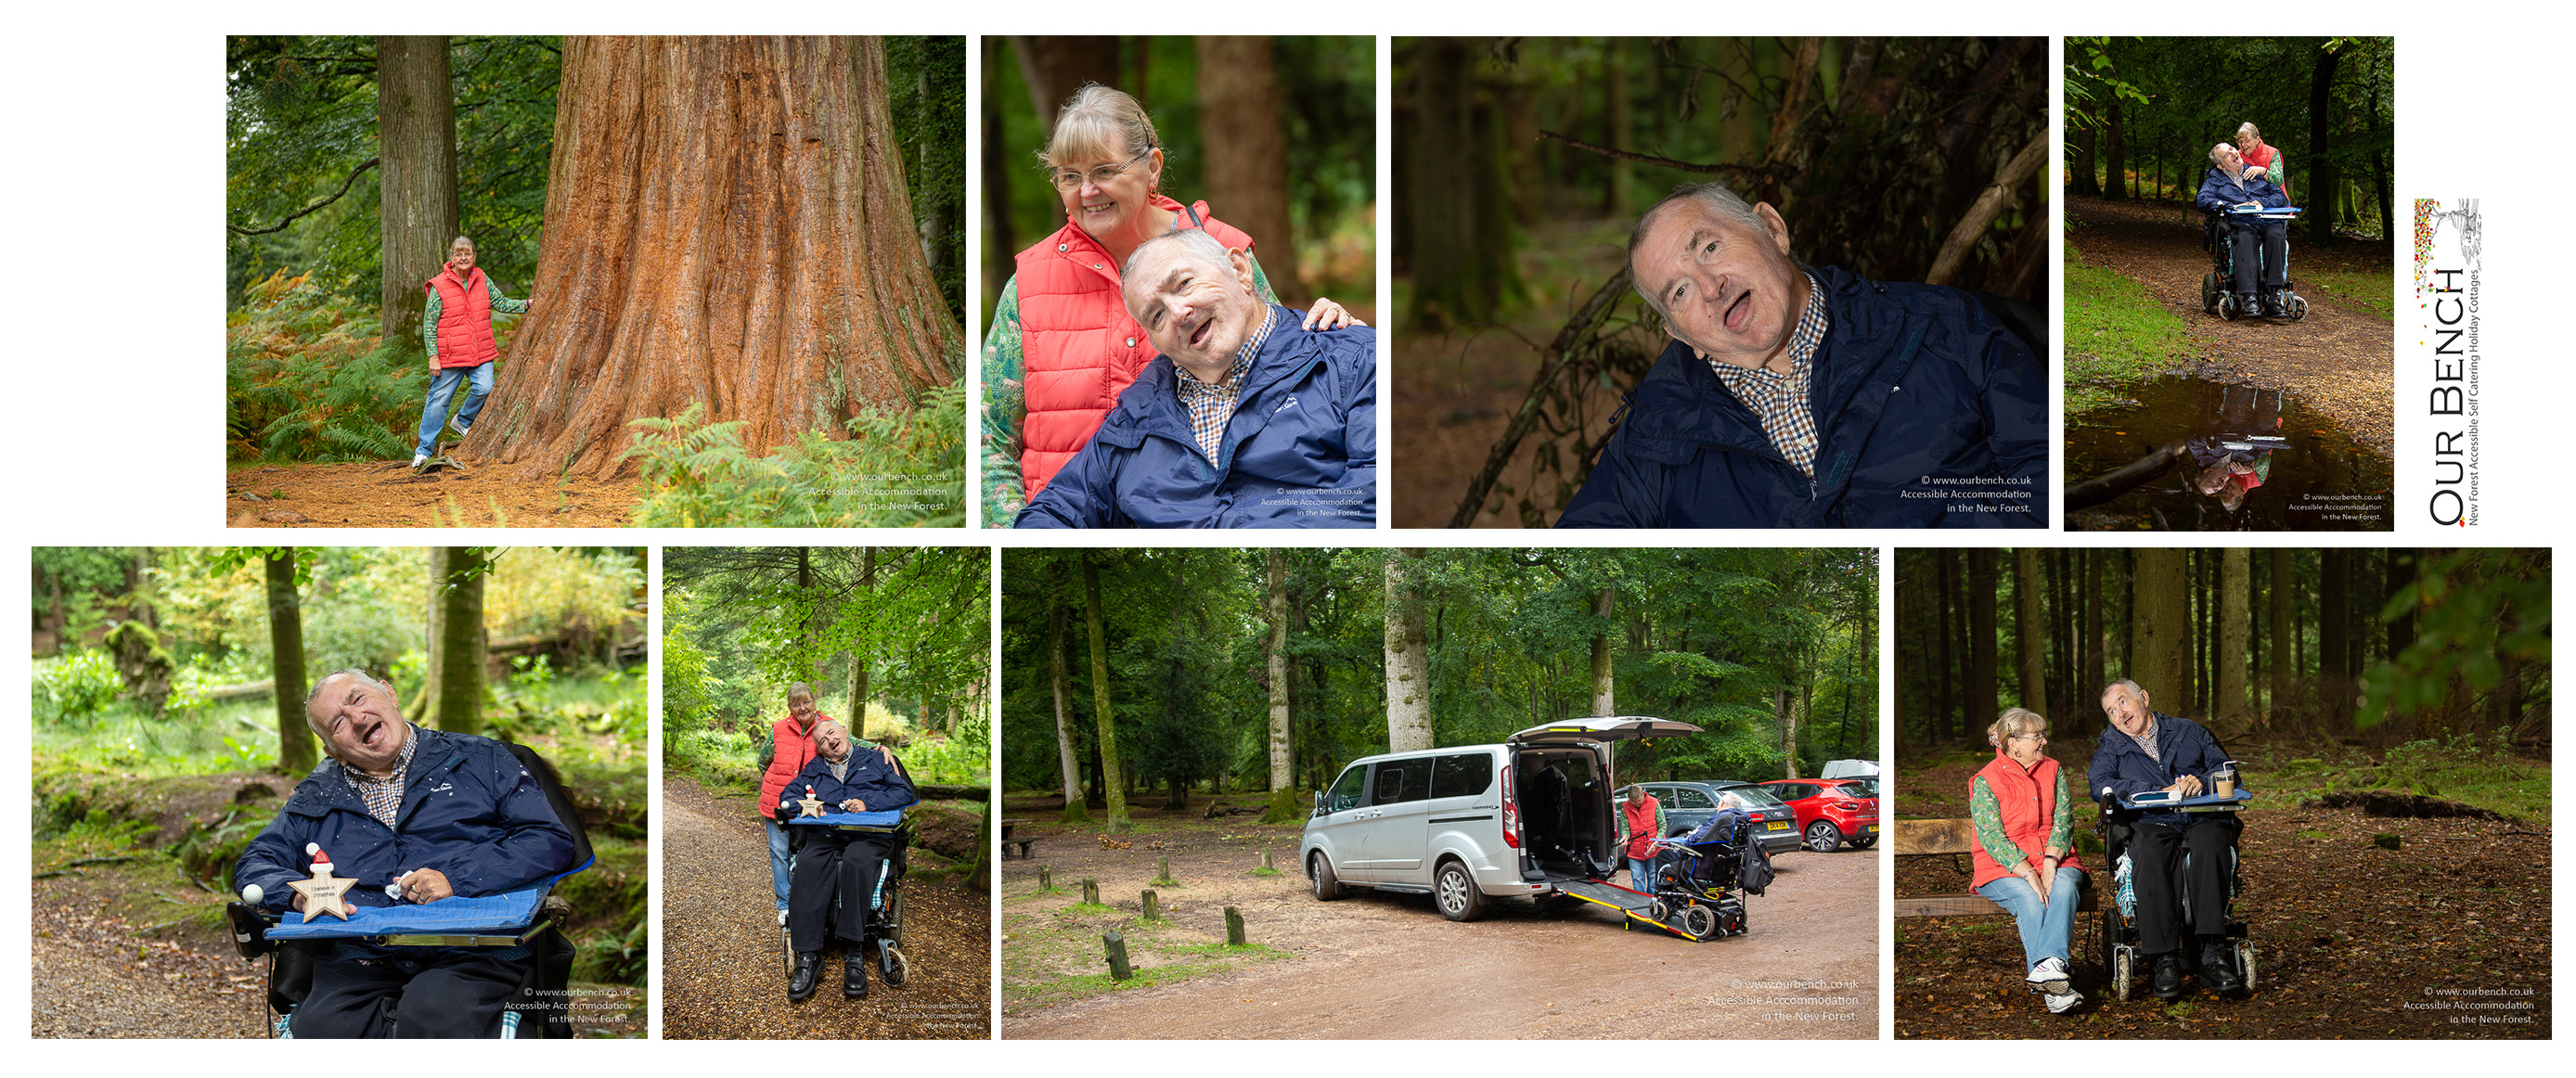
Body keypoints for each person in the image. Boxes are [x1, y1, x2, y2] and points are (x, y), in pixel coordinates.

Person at [1558, 182, 2045, 528]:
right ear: (1681, 336)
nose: (1710, 288)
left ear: (1772, 229)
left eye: (1709, 247)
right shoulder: (1653, 438)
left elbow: (2044, 476)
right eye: (1679, 292)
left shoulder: (1941, 326)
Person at [983, 84, 1356, 526]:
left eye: (1103, 171)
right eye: (1069, 177)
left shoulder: (1224, 251)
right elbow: (988, 437)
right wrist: (1020, 535)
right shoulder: (1029, 284)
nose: (1086, 192)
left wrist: (1335, 335)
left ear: (1152, 168)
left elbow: (1287, 375)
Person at [233, 669, 577, 1037]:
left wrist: (454, 879)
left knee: (437, 1013)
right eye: (337, 724)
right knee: (323, 1029)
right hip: (362, 957)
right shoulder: (315, 798)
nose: (356, 718)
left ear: (389, 694)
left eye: (358, 699)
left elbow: (548, 839)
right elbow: (254, 866)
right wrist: (298, 894)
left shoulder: (481, 760)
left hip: (474, 950)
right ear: (331, 749)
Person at [1016, 228, 1376, 528]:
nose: (1178, 313)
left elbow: (1372, 499)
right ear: (1153, 338)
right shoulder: (1136, 418)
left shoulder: (1349, 359)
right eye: (1155, 315)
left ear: (1239, 269)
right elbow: (1053, 513)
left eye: (1184, 284)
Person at [2088, 679, 2245, 1000]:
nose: (2119, 713)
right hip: (2152, 820)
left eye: (2123, 702)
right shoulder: (2110, 745)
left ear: (2143, 698)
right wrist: (2145, 791)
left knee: (2211, 844)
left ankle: (2213, 955)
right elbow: (2100, 784)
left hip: (2201, 816)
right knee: (2148, 850)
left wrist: (2201, 782)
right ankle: (2164, 959)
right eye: (2110, 710)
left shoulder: (2189, 731)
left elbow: (2228, 771)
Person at [778, 721, 917, 1001]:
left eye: (831, 733)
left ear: (843, 731)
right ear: (820, 749)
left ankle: (854, 955)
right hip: (829, 832)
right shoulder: (814, 770)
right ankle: (808, 956)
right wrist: (820, 808)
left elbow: (905, 793)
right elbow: (787, 799)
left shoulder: (876, 759)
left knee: (856, 861)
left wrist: (868, 803)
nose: (829, 740)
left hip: (870, 834)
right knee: (808, 863)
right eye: (821, 740)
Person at [1969, 707, 2088, 1015]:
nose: (2043, 742)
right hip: (2001, 867)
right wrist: (2026, 871)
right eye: (2037, 736)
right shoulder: (1985, 779)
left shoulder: (2053, 769)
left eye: (2042, 735)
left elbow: (2064, 821)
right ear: (2013, 743)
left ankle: (2048, 974)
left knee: (2063, 885)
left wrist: (2050, 861)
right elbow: (1991, 837)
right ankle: (2054, 984)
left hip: (2054, 856)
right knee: (2031, 898)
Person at [756, 684, 893, 924]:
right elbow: (763, 761)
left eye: (806, 702)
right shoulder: (778, 729)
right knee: (779, 852)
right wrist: (778, 780)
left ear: (814, 701)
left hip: (814, 802)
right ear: (790, 707)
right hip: (779, 797)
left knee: (804, 850)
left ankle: (809, 900)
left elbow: (853, 743)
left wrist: (880, 748)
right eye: (796, 704)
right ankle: (785, 906)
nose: (802, 707)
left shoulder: (826, 727)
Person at [413, 236, 530, 469]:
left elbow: (501, 303)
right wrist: (433, 356)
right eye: (459, 253)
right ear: (452, 258)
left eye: (468, 253)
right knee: (438, 402)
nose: (463, 257)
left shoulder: (482, 279)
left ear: (474, 257)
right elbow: (429, 324)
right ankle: (423, 452)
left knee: (485, 387)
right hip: (449, 356)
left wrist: (527, 304)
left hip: (480, 351)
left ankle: (463, 420)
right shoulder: (439, 286)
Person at [2197, 144, 2294, 317]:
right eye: (2227, 155)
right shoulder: (2215, 180)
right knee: (2245, 238)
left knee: (2277, 235)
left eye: (2233, 149)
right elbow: (2203, 199)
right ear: (2221, 165)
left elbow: (2280, 196)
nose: (2234, 153)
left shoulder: (2255, 173)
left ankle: (2273, 297)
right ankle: (2249, 297)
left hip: (2265, 220)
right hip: (2241, 222)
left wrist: (2263, 204)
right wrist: (2231, 206)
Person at [1619, 784, 1666, 892]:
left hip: (1654, 848)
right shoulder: (1625, 807)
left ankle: (1651, 903)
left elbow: (1662, 825)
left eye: (1639, 801)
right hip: (1635, 850)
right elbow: (1625, 827)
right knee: (1637, 878)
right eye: (1633, 802)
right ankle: (1640, 902)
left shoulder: (1654, 803)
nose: (1637, 804)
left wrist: (1657, 842)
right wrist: (1625, 837)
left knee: (1653, 878)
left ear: (1643, 795)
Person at [2234, 122, 2289, 199]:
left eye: (2247, 141)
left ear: (2257, 139)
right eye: (2240, 142)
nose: (2243, 145)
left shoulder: (2272, 153)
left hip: (2277, 204)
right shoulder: (2236, 156)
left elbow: (2278, 181)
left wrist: (2263, 171)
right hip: (2248, 206)